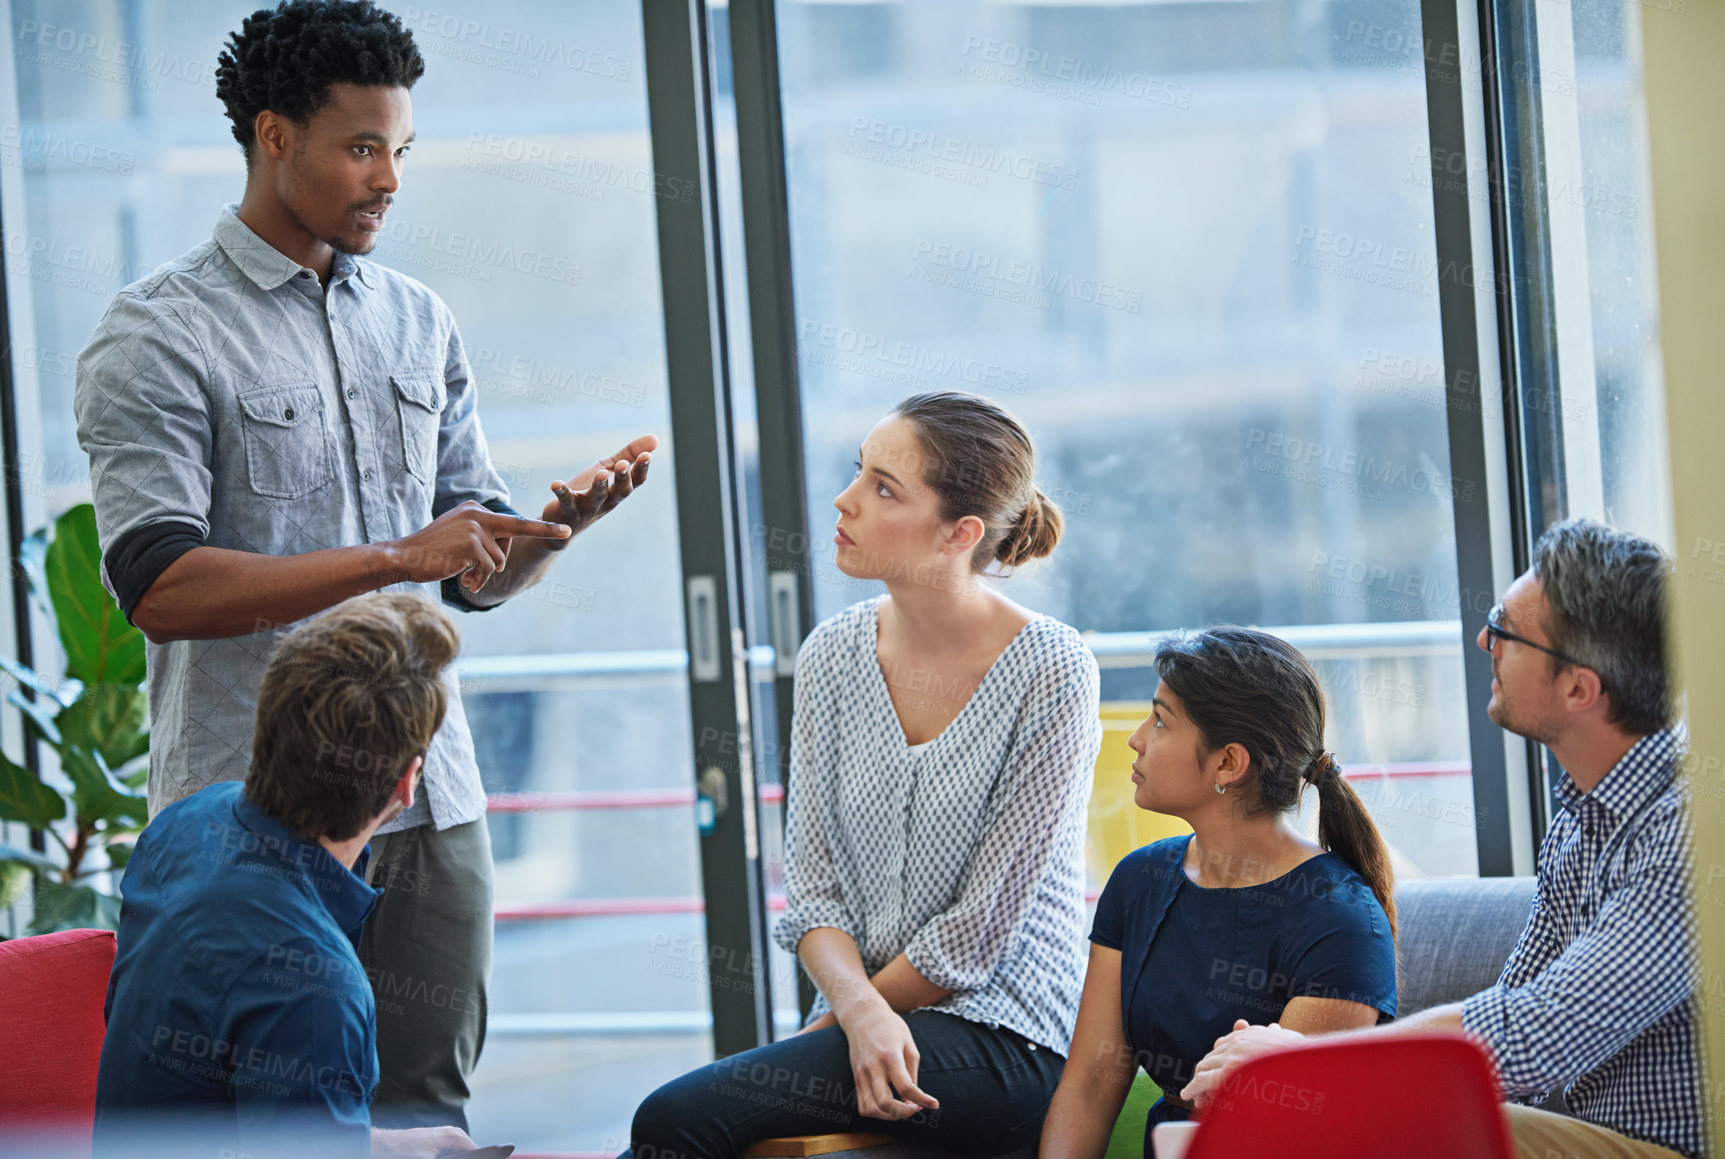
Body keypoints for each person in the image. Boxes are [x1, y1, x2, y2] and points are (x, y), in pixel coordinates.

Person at [72, 0, 657, 1129]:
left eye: (401, 149)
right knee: (268, 1128)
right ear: (272, 135)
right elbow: (161, 588)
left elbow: (460, 576)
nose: (390, 177)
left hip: (428, 802)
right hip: (254, 806)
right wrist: (397, 552)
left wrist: (540, 541)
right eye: (362, 146)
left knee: (429, 1112)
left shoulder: (419, 320)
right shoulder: (157, 333)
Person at [620, 391, 1101, 1157]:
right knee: (688, 1130)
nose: (844, 500)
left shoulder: (1052, 669)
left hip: (1007, 1030)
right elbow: (812, 889)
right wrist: (857, 1011)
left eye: (884, 488)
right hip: (862, 1024)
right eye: (858, 473)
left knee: (674, 1118)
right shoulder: (830, 656)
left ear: (959, 533)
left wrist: (858, 1013)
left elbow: (977, 935)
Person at [1182, 519, 1701, 1159]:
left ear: (1578, 688)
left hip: (1657, 1147)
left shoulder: (1689, 834)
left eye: (1506, 632)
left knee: (1403, 1121)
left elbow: (1534, 1037)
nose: (1484, 639)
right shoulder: (1583, 814)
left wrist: (1310, 1060)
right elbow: (1515, 1002)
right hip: (1582, 1132)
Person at [94, 592, 491, 1158]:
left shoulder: (184, 824)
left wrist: (381, 1145)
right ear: (408, 783)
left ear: (272, 723)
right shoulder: (317, 991)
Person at [1038, 627, 1398, 1158]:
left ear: (1228, 763)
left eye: (1161, 720)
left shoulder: (1342, 922)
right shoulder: (1139, 880)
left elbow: (1282, 1132)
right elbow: (1091, 1083)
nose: (1136, 737)